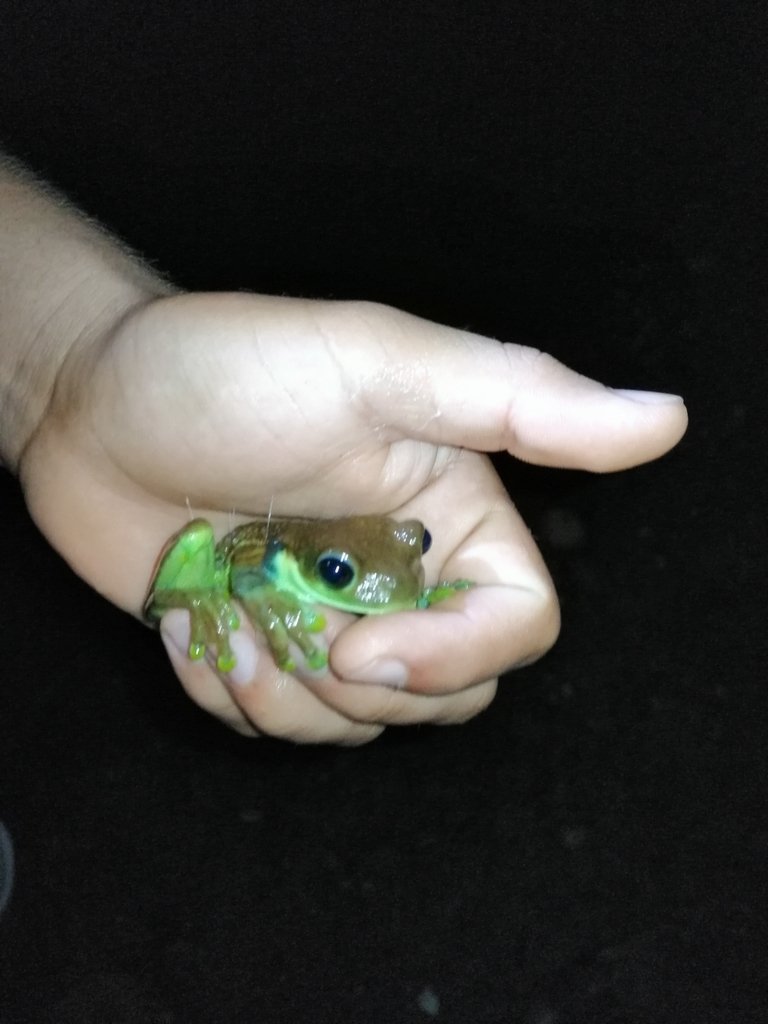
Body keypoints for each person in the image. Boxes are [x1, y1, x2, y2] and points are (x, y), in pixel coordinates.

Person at [0, 153, 687, 745]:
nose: (406, 563)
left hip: (280, 526)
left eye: (415, 542)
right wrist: (66, 372)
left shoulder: (369, 550)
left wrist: (73, 362)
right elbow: (250, 577)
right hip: (235, 554)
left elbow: (379, 560)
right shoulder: (279, 568)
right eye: (334, 573)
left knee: (376, 622)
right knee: (209, 548)